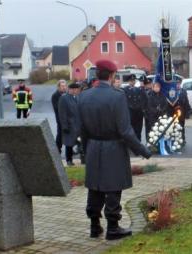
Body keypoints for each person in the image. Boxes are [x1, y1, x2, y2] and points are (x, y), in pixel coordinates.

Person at [78, 60, 152, 241]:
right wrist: (143, 150)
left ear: (97, 74)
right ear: (112, 76)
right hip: (113, 147)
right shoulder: (117, 96)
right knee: (113, 187)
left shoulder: (84, 96)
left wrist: (85, 151)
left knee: (94, 187)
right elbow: (125, 131)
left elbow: (82, 129)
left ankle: (95, 226)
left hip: (93, 146)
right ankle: (113, 227)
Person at [58, 82, 82, 166]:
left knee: (80, 143)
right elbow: (62, 113)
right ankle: (69, 160)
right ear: (72, 89)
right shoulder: (64, 98)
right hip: (70, 125)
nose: (78, 91)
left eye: (78, 89)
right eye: (76, 89)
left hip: (78, 125)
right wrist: (64, 126)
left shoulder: (78, 97)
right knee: (69, 144)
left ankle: (82, 159)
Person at [123, 75, 146, 141]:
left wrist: (142, 109)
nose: (133, 82)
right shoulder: (125, 90)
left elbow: (144, 99)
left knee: (138, 130)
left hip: (138, 113)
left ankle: (138, 142)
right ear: (128, 81)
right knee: (131, 130)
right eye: (131, 81)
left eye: (134, 80)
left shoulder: (139, 89)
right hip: (130, 113)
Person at [52, 80, 67, 153]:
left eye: (65, 86)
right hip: (60, 118)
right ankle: (57, 150)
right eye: (62, 86)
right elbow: (57, 108)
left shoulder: (67, 94)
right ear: (58, 87)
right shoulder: (55, 95)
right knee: (60, 134)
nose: (64, 88)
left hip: (68, 118)